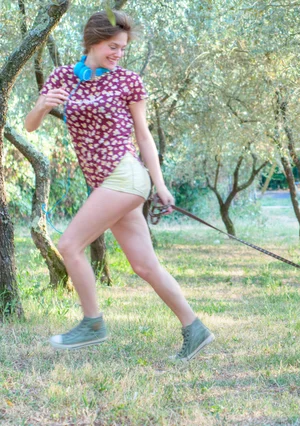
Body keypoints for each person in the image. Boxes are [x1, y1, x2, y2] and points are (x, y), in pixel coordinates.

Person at [25, 10, 213, 361]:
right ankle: (195, 328)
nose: (118, 54)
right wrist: (41, 106)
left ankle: (93, 323)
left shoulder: (128, 81)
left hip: (125, 175)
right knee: (144, 266)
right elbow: (31, 125)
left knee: (69, 245)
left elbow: (144, 136)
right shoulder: (64, 76)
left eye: (123, 48)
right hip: (104, 183)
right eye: (113, 46)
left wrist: (160, 184)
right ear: (93, 41)